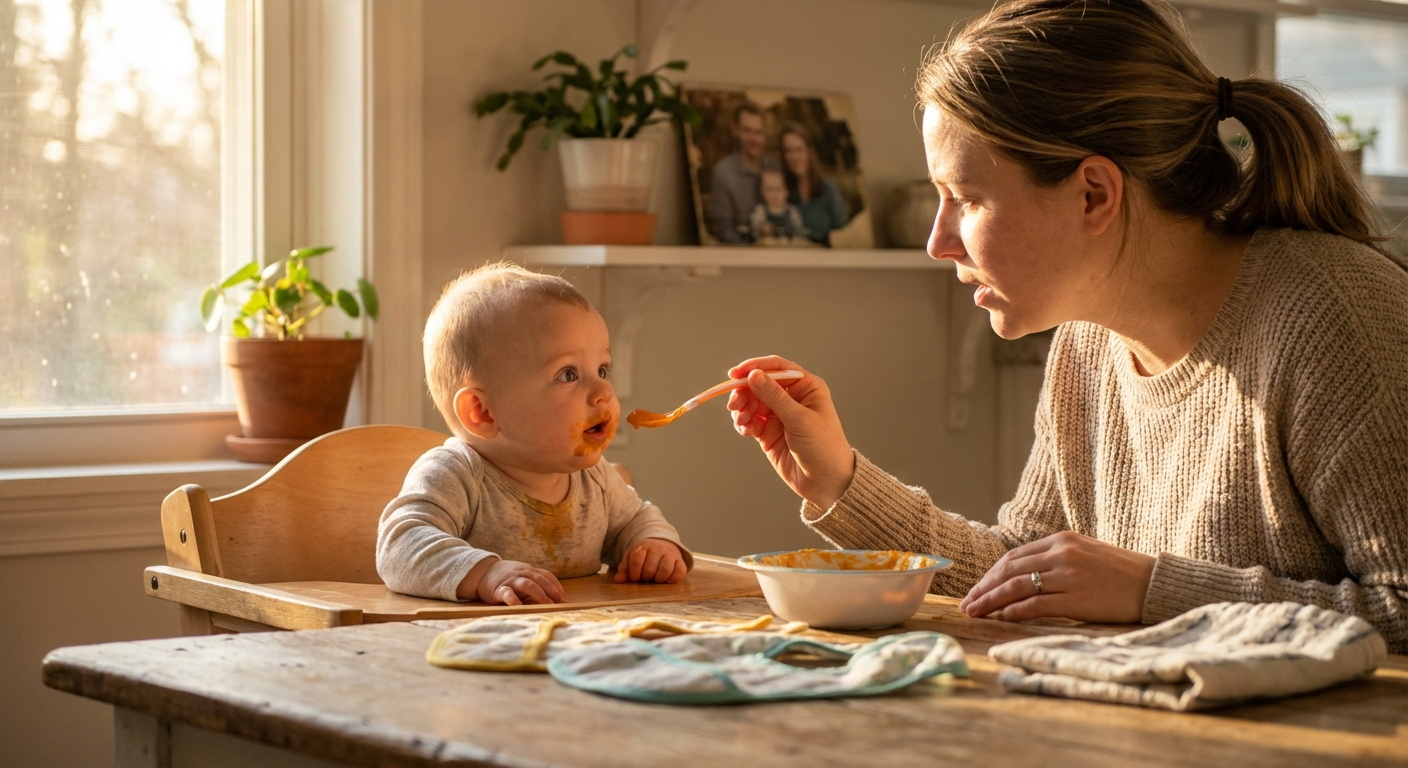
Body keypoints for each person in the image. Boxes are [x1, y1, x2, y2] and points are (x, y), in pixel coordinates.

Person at [725, 0, 1408, 653]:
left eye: (965, 199)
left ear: (1093, 195)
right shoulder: (1088, 342)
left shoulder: (1336, 314)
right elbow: (1025, 571)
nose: (938, 241)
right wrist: (838, 480)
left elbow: (1399, 610)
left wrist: (1152, 591)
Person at [377, 263, 692, 605]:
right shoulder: (457, 474)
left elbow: (637, 518)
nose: (602, 390)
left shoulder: (595, 480)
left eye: (602, 369)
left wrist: (653, 545)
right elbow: (400, 546)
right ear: (482, 412)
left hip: (583, 637)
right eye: (568, 374)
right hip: (478, 644)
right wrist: (485, 574)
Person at [708, 102, 777, 243]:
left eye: (758, 132)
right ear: (736, 131)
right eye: (747, 131)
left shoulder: (774, 168)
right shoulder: (723, 173)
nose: (753, 139)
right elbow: (725, 231)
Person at [780, 122, 849, 245]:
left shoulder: (828, 190)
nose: (794, 156)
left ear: (809, 151)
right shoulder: (783, 192)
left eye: (799, 149)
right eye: (788, 151)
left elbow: (844, 234)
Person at [749, 166, 809, 245]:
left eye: (778, 189)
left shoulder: (791, 210)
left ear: (787, 192)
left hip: (789, 247)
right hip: (767, 248)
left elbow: (798, 228)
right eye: (769, 189)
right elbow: (754, 228)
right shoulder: (761, 210)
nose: (774, 194)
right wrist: (762, 228)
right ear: (762, 192)